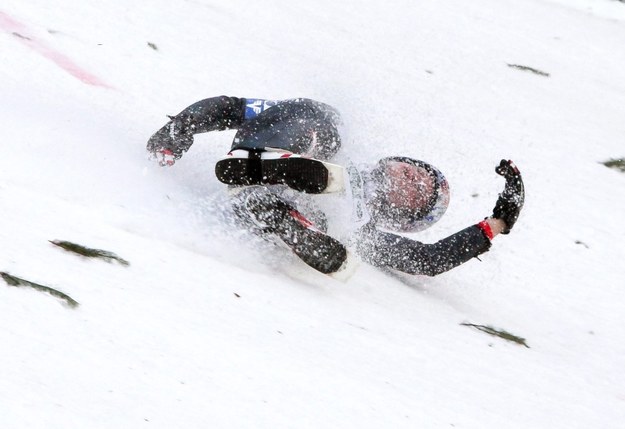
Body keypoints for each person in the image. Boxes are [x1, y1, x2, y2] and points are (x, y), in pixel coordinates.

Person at [147, 96, 524, 276]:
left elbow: (427, 260)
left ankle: (287, 218)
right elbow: (232, 108)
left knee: (339, 225)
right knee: (324, 116)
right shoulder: (337, 137)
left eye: (416, 193)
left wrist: (497, 224)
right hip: (266, 149)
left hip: (260, 199)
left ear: (403, 215)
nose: (410, 180)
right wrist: (178, 130)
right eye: (413, 172)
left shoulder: (364, 229)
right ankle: (273, 162)